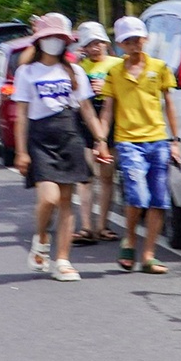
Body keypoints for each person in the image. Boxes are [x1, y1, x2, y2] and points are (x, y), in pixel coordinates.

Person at [13, 13, 110, 282]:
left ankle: (63, 261)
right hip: (39, 138)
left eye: (59, 37)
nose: (54, 41)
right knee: (49, 198)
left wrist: (100, 141)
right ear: (39, 40)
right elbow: (21, 114)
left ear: (66, 41)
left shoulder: (75, 71)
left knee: (67, 201)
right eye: (49, 36)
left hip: (69, 136)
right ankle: (42, 236)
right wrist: (21, 152)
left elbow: (87, 109)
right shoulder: (26, 72)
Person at [99, 16, 180, 274]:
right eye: (128, 41)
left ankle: (148, 255)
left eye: (138, 39)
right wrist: (101, 141)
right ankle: (131, 239)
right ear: (121, 44)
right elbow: (107, 110)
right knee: (137, 195)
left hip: (158, 140)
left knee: (159, 199)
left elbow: (170, 105)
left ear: (145, 39)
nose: (134, 44)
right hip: (128, 142)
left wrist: (175, 141)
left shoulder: (160, 67)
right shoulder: (114, 73)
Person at [72, 21, 120, 245]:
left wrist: (109, 89)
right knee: (86, 177)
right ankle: (86, 226)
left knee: (107, 176)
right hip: (84, 121)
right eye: (89, 44)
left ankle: (103, 225)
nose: (94, 48)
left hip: (112, 120)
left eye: (98, 43)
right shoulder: (78, 68)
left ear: (106, 43)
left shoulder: (118, 64)